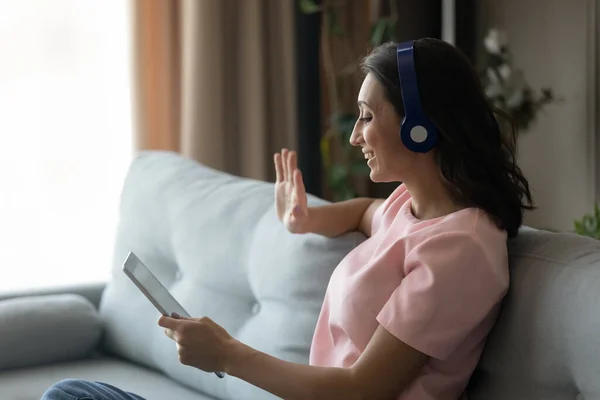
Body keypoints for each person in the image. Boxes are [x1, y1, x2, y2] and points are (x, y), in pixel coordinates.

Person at [41, 37, 533, 400]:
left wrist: (229, 353)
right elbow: (367, 213)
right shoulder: (412, 207)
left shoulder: (460, 249)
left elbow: (365, 389)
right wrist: (305, 221)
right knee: (72, 392)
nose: (354, 137)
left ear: (421, 127)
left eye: (366, 115)